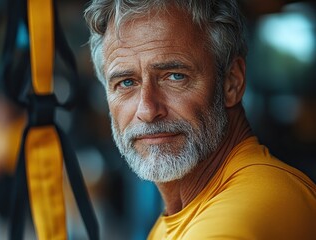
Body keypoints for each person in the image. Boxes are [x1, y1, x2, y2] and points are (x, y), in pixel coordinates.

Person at [84, 0, 316, 239]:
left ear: (231, 82)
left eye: (174, 76)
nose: (147, 110)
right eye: (126, 83)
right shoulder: (187, 213)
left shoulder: (240, 217)